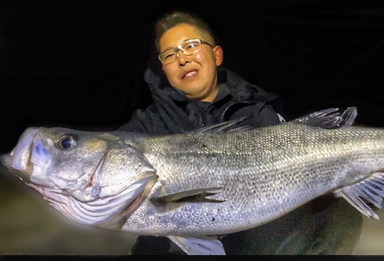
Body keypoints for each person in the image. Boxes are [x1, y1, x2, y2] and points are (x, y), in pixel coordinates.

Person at [119, 10, 362, 255]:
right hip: (172, 245)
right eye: (170, 54)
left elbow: (300, 179)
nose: (182, 59)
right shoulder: (145, 127)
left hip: (246, 241)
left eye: (191, 46)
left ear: (216, 55)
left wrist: (334, 177)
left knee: (340, 215)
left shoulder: (256, 113)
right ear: (164, 69)